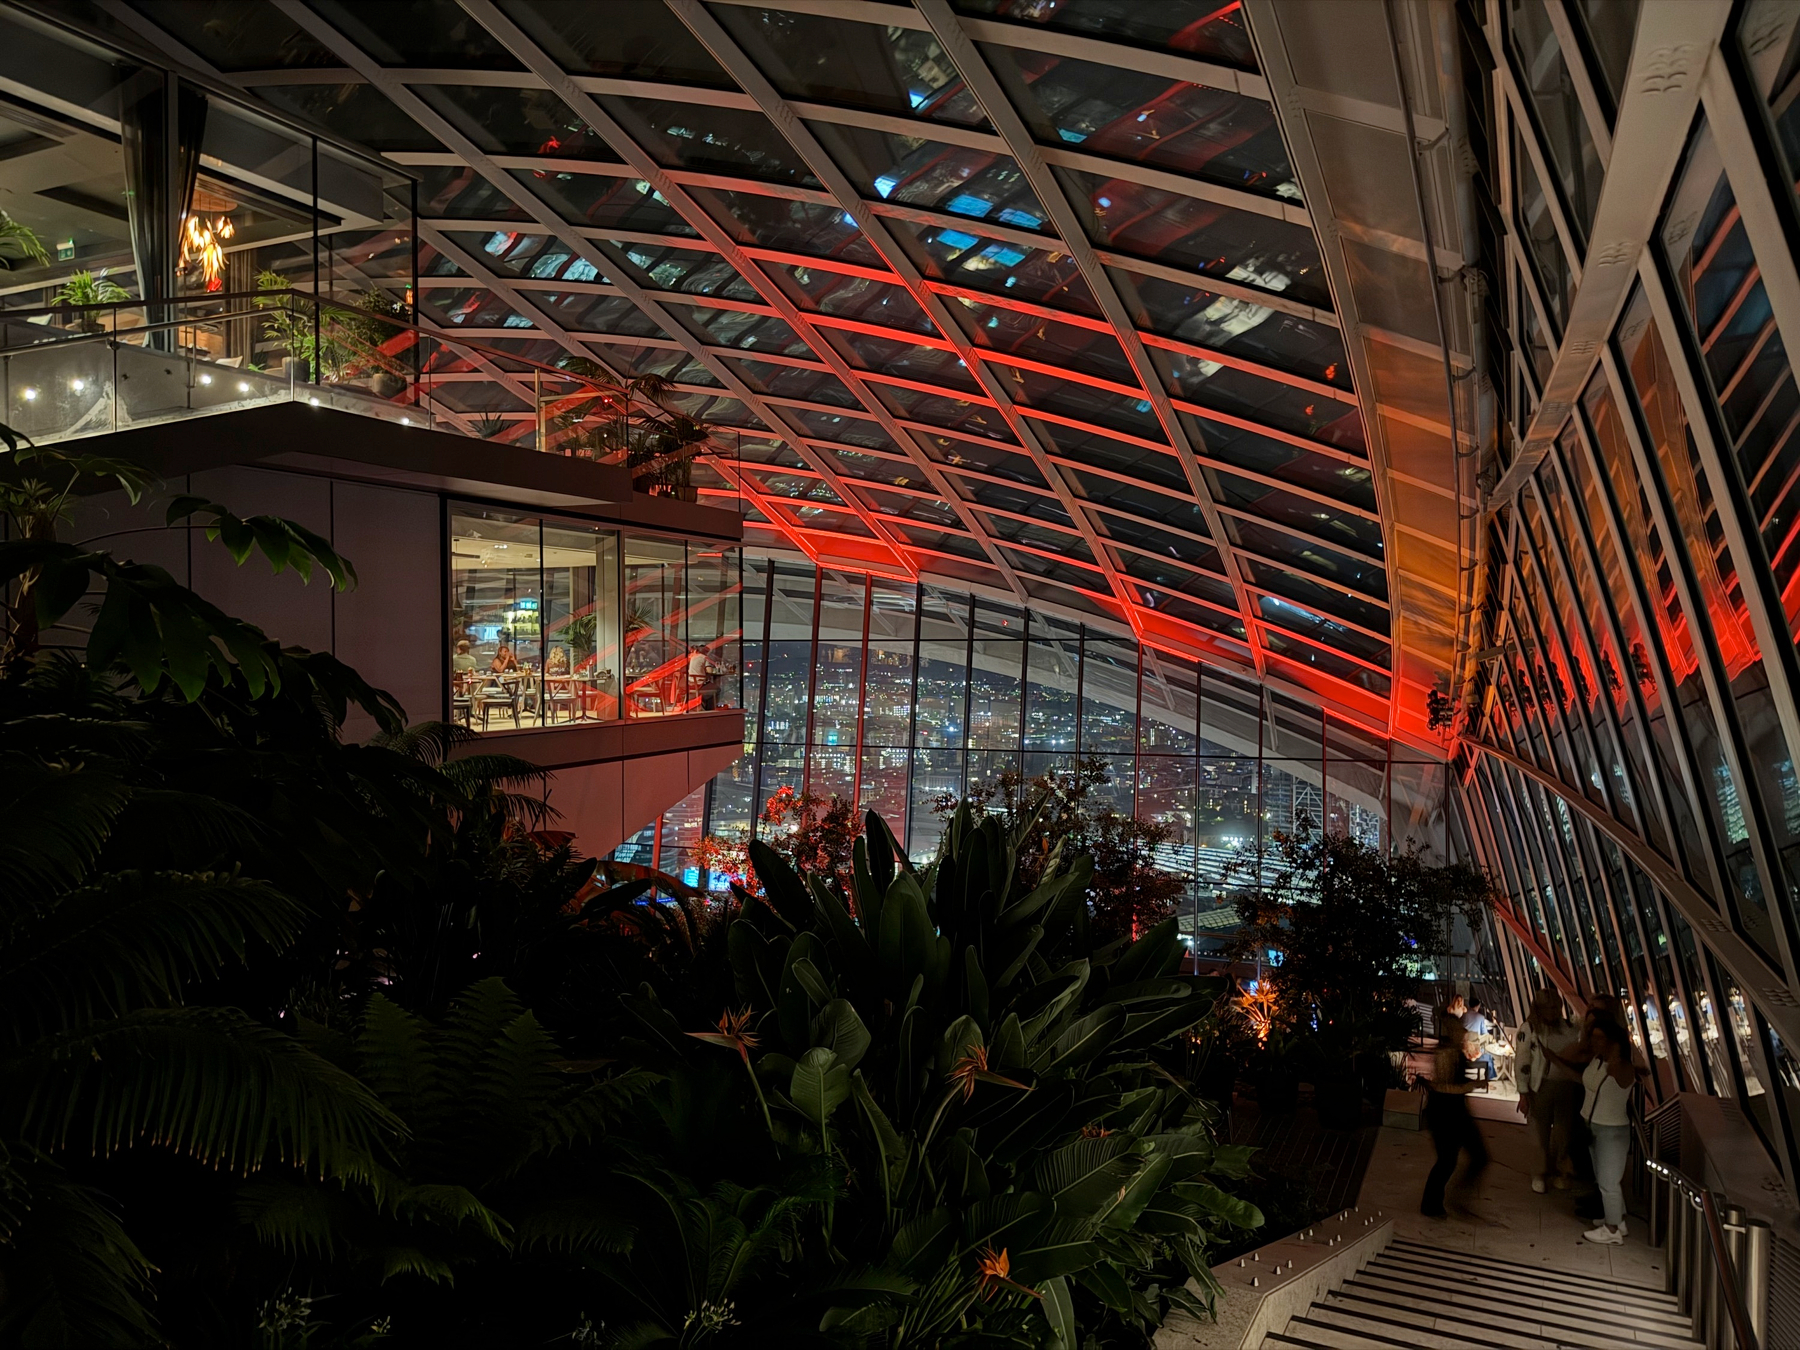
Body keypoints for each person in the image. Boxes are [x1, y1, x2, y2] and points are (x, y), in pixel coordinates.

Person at [1574, 1018, 1636, 1244]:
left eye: (1600, 1038)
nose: (1595, 1042)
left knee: (1609, 1182)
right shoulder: (1599, 1061)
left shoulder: (1620, 1066)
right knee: (1604, 1178)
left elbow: (1623, 1076)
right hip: (1595, 1125)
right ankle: (1617, 1220)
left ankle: (1612, 1231)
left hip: (1612, 1130)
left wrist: (1614, 1055)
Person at [1420, 1017, 1489, 1219]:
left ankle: (1452, 1198)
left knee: (1469, 1157)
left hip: (1453, 1112)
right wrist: (1472, 1086)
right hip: (1445, 1113)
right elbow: (1442, 1087)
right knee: (1448, 1161)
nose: (1463, 1031)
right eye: (1459, 1028)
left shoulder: (1454, 1052)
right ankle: (1434, 1204)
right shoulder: (1446, 1053)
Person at [1515, 987, 1583, 1193]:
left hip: (1566, 1086)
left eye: (1556, 1008)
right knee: (1539, 1134)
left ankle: (1560, 1168)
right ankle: (1539, 1172)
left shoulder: (1568, 1028)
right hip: (1540, 1086)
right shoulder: (1529, 1029)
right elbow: (1522, 1062)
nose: (1553, 1012)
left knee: (1563, 1133)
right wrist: (1523, 1092)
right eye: (1549, 1008)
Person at [1461, 997, 1499, 1083]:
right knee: (1489, 1057)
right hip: (1473, 1051)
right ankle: (1490, 1080)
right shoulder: (1480, 1017)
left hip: (1463, 1050)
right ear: (1478, 1006)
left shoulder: (1463, 1015)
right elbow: (1484, 1033)